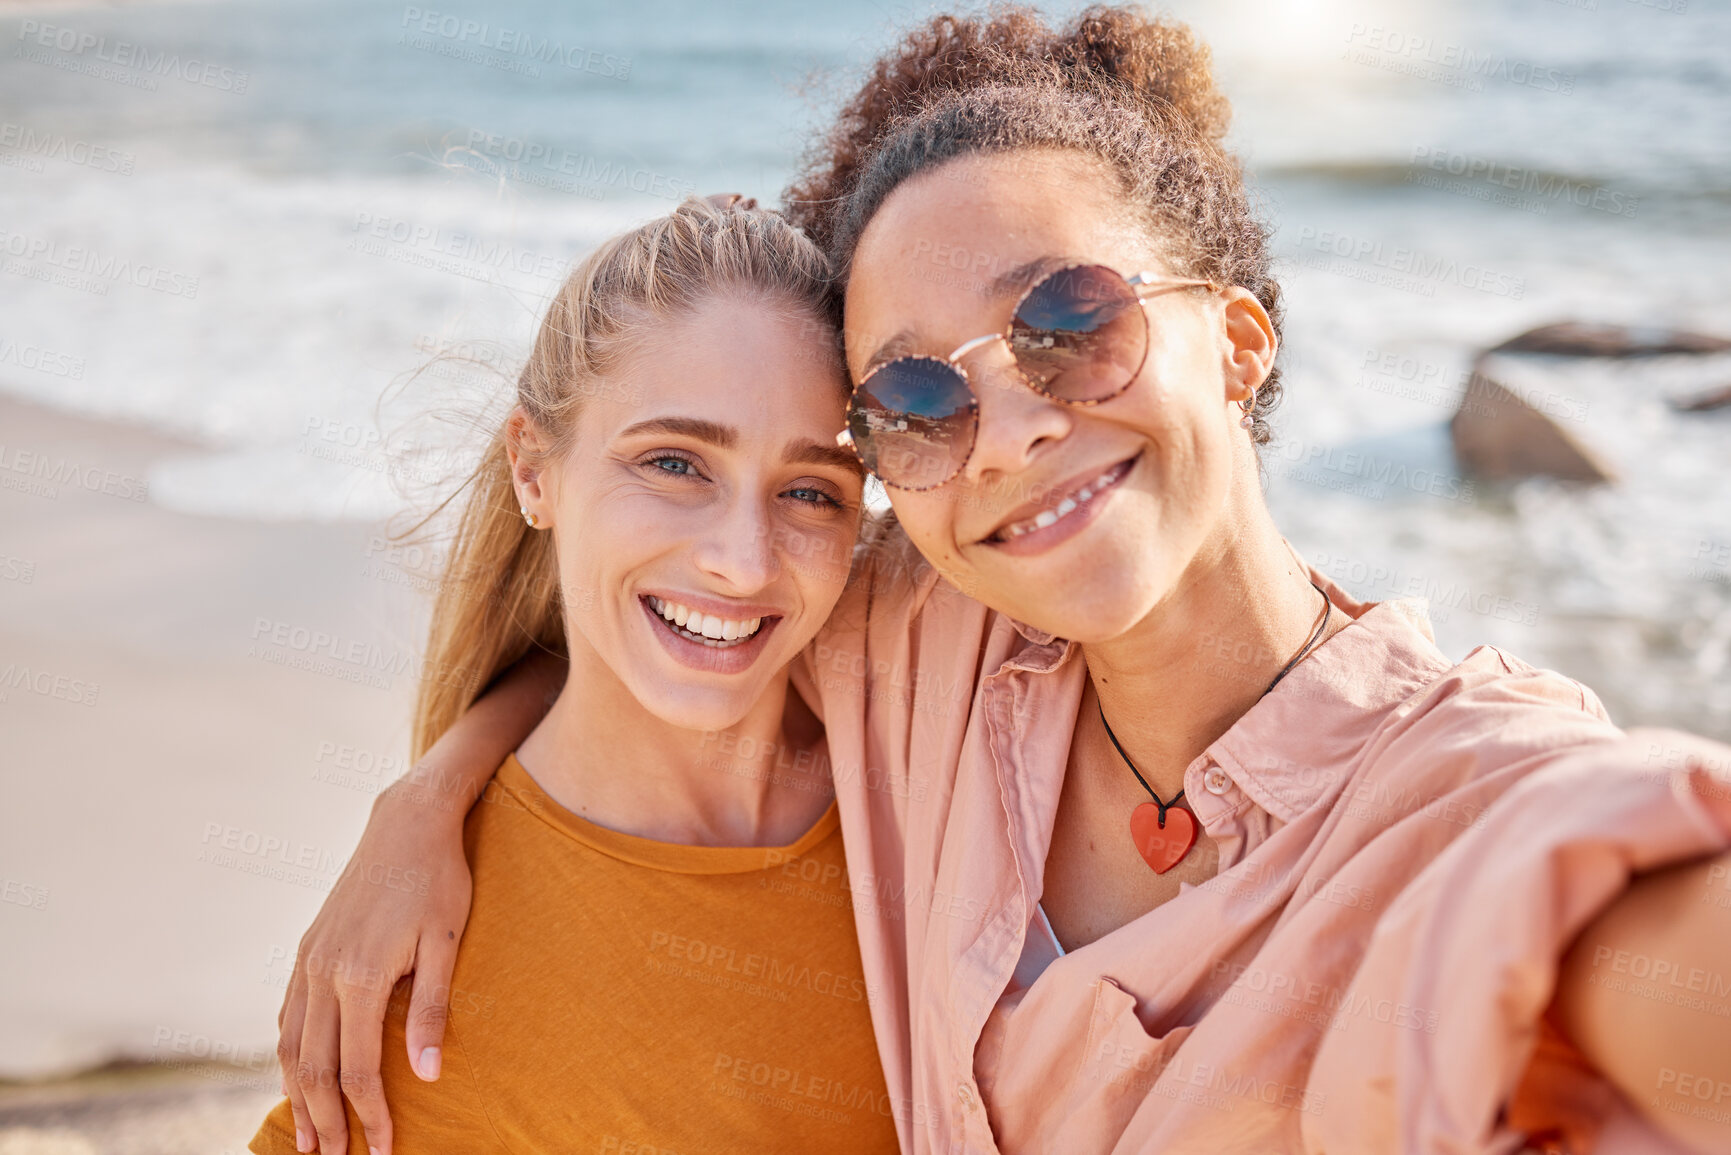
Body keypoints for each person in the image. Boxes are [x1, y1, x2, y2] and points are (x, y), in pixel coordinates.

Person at [277, 8, 1731, 1154]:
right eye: (916, 398)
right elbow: (675, 611)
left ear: (1233, 342)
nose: (1012, 432)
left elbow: (1602, 893)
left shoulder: (1461, 783)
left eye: (1066, 319)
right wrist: (429, 792)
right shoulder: (921, 644)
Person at [251, 198, 901, 1154]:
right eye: (675, 463)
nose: (744, 560)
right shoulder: (414, 978)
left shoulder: (932, 768)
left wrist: (430, 783)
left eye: (810, 490)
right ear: (532, 469)